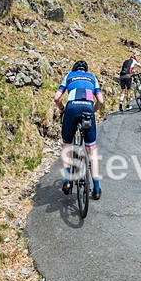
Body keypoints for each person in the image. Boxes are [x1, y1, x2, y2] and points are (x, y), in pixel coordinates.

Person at [54, 60, 104, 200]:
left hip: (71, 109)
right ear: (85, 70)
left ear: (74, 69)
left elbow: (57, 97)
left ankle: (67, 181)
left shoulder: (69, 76)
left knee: (66, 145)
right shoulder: (92, 77)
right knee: (91, 149)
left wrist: (62, 109)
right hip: (88, 109)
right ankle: (97, 189)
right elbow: (100, 101)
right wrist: (93, 111)